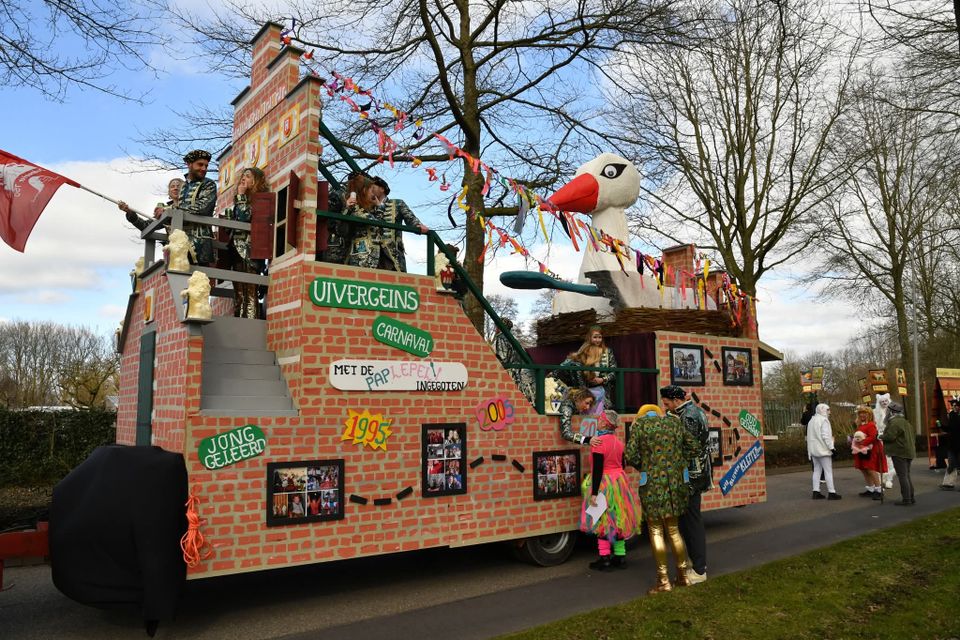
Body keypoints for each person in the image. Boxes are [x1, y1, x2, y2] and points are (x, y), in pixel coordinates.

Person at [625, 403, 700, 593]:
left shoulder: (640, 425)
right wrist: (678, 461)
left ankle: (663, 581)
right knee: (674, 530)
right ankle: (683, 576)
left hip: (652, 485)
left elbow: (630, 454)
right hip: (675, 484)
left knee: (656, 530)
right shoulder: (674, 423)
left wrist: (645, 466)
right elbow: (695, 447)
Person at [659, 384, 711, 584]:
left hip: (691, 476)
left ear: (676, 400)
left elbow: (688, 448)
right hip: (694, 474)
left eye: (666, 404)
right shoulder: (694, 411)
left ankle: (699, 570)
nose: (665, 408)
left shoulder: (687, 416)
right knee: (688, 522)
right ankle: (694, 564)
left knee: (691, 523)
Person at [580, 410, 642, 571]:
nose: (598, 421)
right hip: (619, 483)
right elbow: (622, 465)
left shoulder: (598, 443)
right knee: (618, 519)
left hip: (604, 485)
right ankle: (620, 558)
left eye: (600, 419)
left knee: (602, 521)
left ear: (604, 423)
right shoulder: (619, 442)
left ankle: (605, 558)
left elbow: (598, 470)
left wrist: (594, 494)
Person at [223, 167, 268, 318]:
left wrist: (240, 196)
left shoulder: (261, 199)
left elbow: (244, 217)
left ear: (256, 181)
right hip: (236, 249)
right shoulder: (241, 200)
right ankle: (238, 322)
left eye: (248, 176)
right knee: (239, 294)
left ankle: (249, 325)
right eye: (242, 176)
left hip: (250, 250)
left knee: (250, 294)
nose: (243, 179)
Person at [369, 175, 429, 272]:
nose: (370, 190)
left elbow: (410, 218)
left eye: (373, 187)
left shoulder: (397, 203)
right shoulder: (368, 207)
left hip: (392, 254)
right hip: (372, 255)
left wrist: (418, 225)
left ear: (382, 189)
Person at [557, 326, 618, 414]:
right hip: (586, 388)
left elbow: (614, 371)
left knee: (600, 414)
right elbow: (575, 365)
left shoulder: (608, 351)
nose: (597, 340)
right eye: (595, 337)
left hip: (603, 390)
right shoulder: (584, 349)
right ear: (590, 337)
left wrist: (603, 379)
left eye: (600, 337)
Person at [880, 401, 916, 505]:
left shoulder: (895, 422)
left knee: (903, 476)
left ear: (891, 412)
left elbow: (890, 437)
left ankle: (907, 499)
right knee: (906, 475)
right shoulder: (906, 422)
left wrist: (880, 436)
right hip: (909, 452)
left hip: (900, 452)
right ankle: (911, 497)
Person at [491, 318, 535, 404]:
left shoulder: (501, 338)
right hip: (519, 374)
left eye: (496, 326)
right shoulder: (512, 338)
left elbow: (502, 358)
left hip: (510, 374)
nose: (495, 328)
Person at [118, 178, 184, 232]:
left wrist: (165, 211)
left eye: (179, 186)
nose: (175, 188)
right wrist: (130, 212)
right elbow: (145, 226)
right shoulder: (163, 211)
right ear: (169, 192)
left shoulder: (191, 205)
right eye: (172, 186)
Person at [806, 403, 841, 501]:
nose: (829, 412)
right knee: (828, 471)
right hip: (823, 450)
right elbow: (826, 436)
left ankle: (816, 491)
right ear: (823, 410)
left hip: (813, 450)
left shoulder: (811, 420)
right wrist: (832, 448)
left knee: (816, 471)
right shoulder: (824, 420)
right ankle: (831, 492)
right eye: (828, 410)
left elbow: (809, 437)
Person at [851, 405, 887, 500]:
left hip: (871, 450)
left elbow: (873, 437)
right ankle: (870, 488)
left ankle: (879, 490)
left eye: (864, 413)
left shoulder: (871, 424)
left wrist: (862, 442)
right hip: (861, 449)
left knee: (870, 469)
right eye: (860, 413)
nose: (862, 415)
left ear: (869, 414)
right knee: (863, 469)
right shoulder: (860, 424)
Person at [874, 393, 897, 489]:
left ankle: (889, 479)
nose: (884, 403)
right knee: (879, 458)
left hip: (889, 437)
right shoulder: (875, 412)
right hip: (879, 438)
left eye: (886, 401)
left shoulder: (893, 412)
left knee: (889, 459)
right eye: (882, 401)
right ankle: (880, 478)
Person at [942, 399, 960, 490]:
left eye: (955, 405)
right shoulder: (952, 415)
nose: (954, 407)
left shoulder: (955, 416)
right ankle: (948, 483)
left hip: (957, 444)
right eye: (953, 405)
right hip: (952, 444)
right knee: (951, 464)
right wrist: (941, 426)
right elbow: (949, 429)